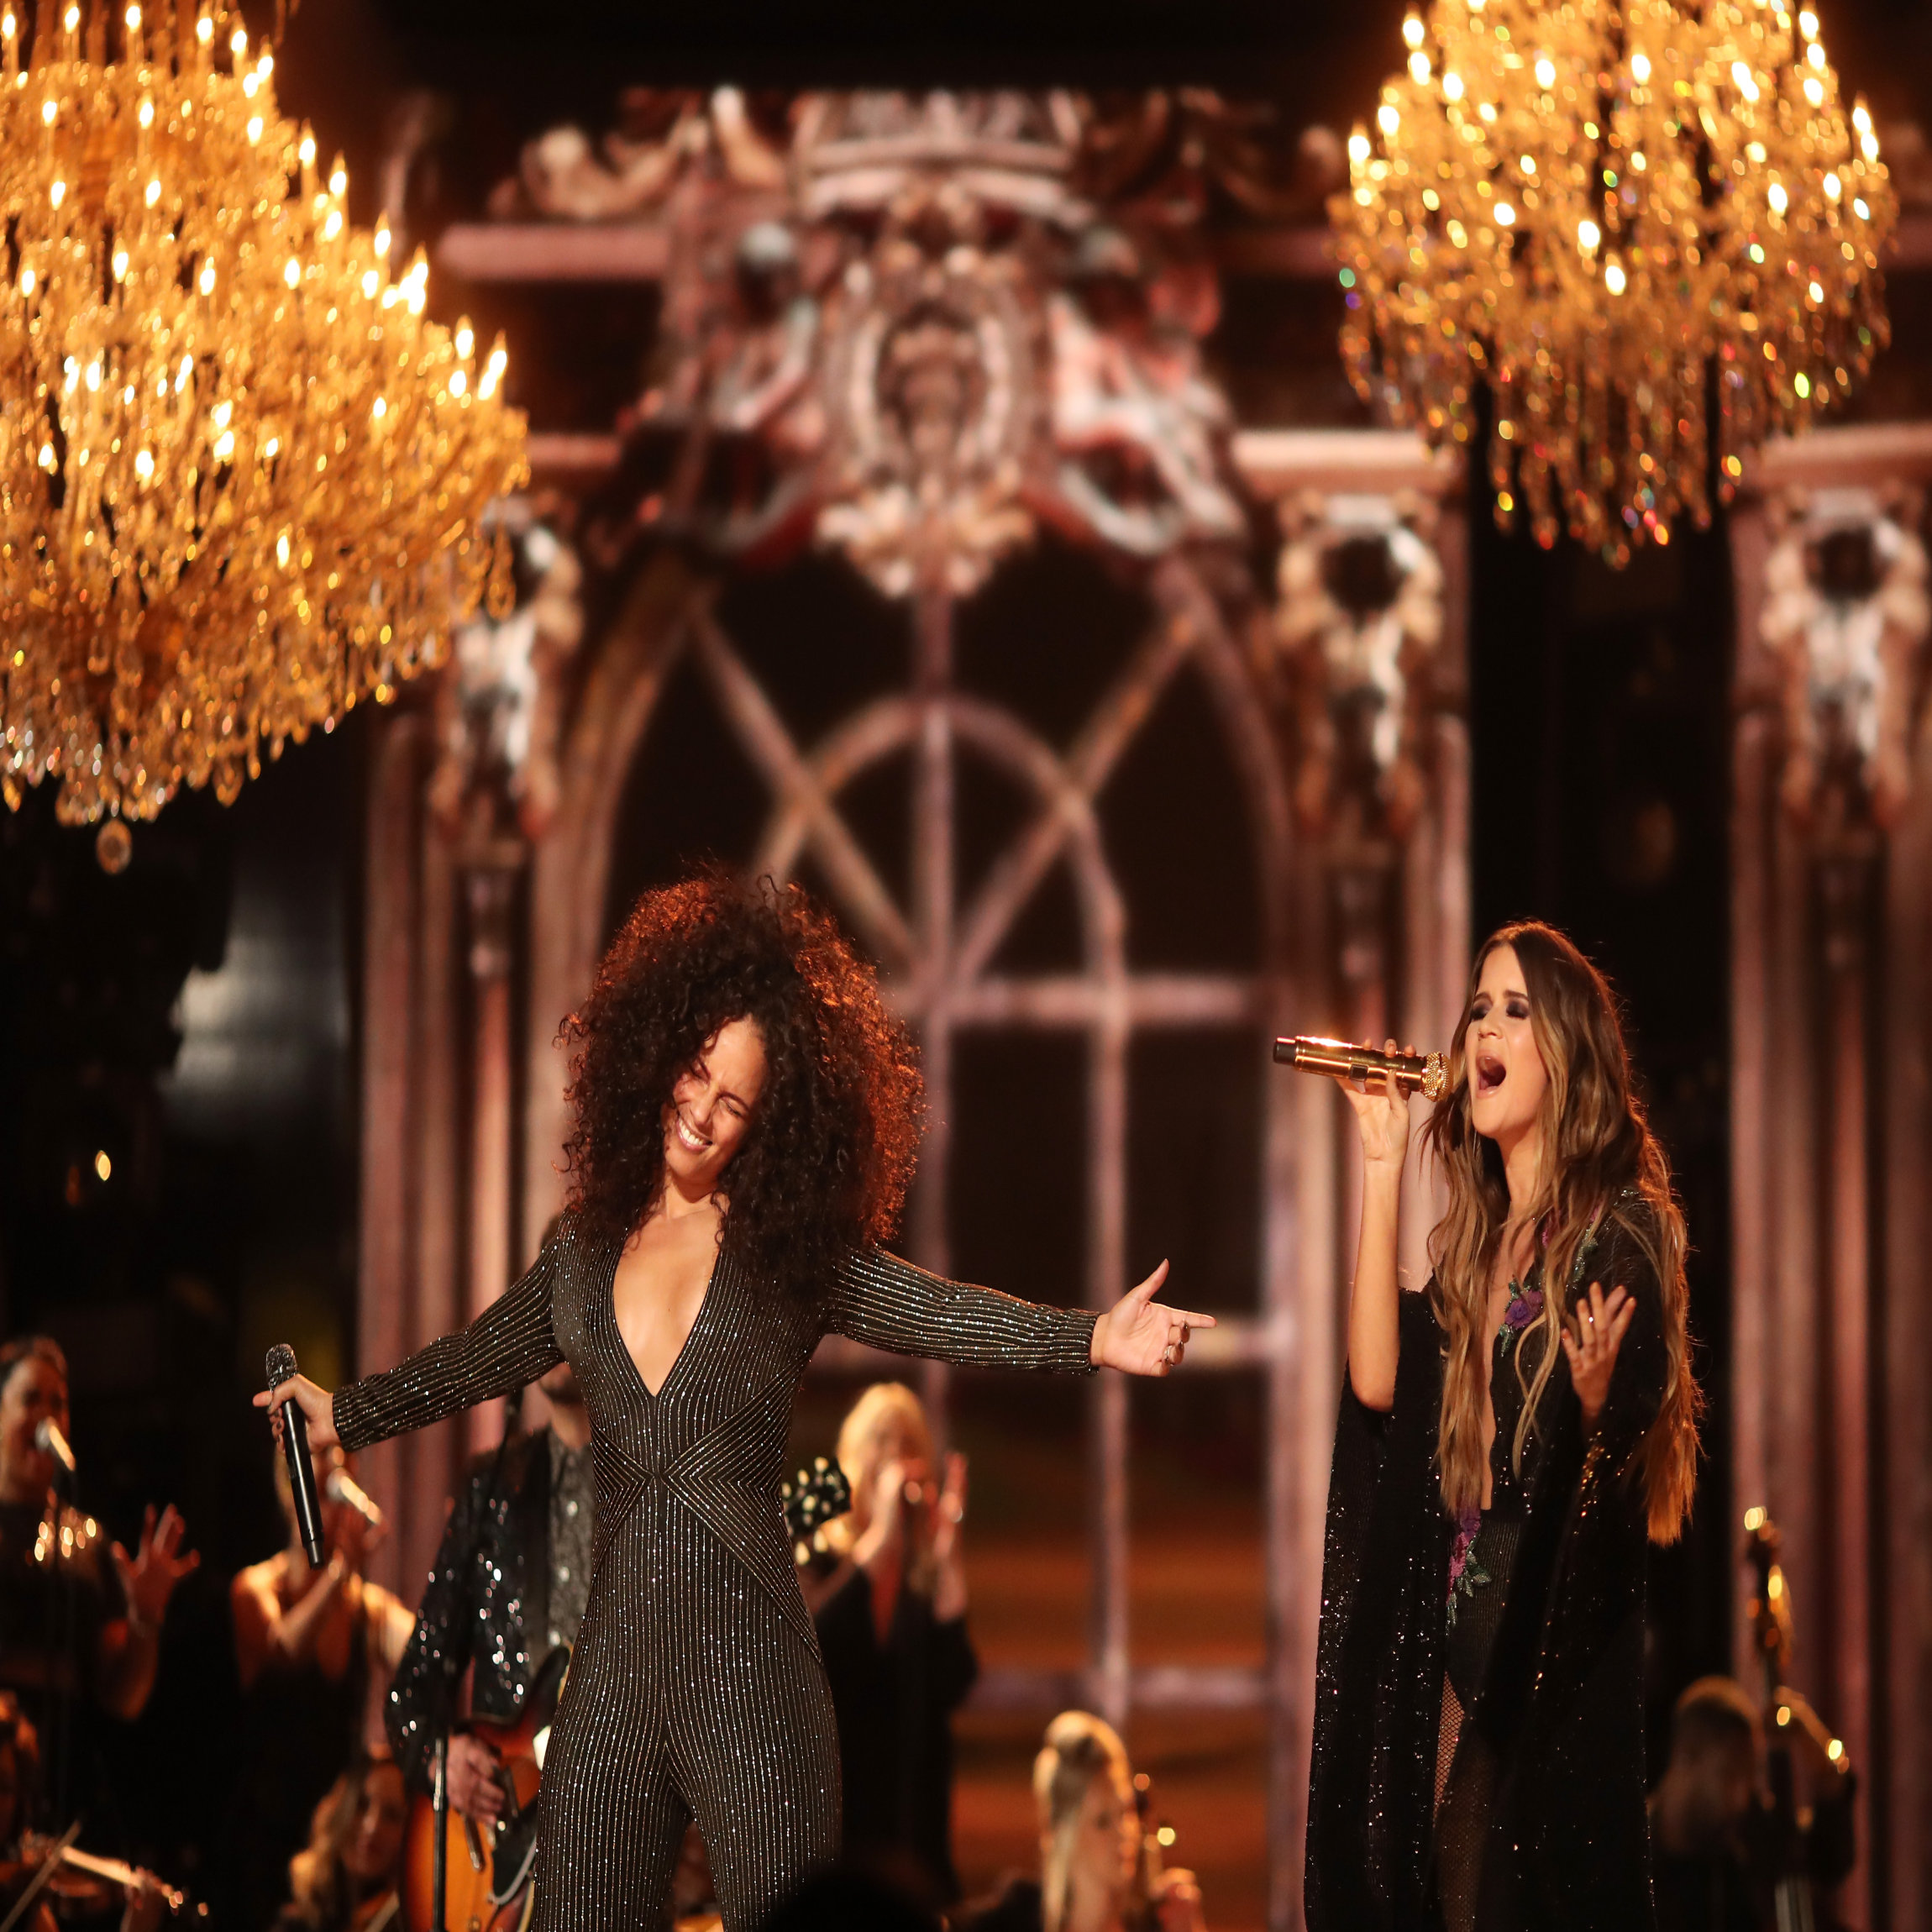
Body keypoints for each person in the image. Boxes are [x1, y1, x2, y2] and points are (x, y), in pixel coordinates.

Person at [260, 870, 1212, 1932]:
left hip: (753, 1671)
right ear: (658, 1049)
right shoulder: (578, 1252)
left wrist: (1091, 1337)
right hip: (614, 1670)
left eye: (734, 1104)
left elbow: (937, 1312)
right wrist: (345, 1413)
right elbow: (472, 1358)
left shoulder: (787, 1255)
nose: (701, 1117)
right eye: (695, 1075)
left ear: (771, 1124)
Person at [1305, 921, 1702, 1932]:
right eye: (1477, 1005)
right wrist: (1382, 1166)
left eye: (1514, 1010)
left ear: (1565, 1051)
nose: (1483, 1024)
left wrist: (1591, 1398)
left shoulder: (1620, 1228)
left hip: (1543, 1705)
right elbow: (1378, 1384)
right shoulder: (1478, 1246)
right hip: (1443, 1687)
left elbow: (1613, 1451)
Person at [386, 1349, 595, 1823]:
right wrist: (443, 1762)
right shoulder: (493, 1485)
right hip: (508, 1835)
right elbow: (412, 1689)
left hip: (624, 1833)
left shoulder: (660, 1484)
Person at [0, 1337, 197, 1825]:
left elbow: (122, 1699)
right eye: (31, 1399)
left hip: (62, 1803)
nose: (47, 1415)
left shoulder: (87, 1544)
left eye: (59, 1404)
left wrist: (146, 1621)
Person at [228, 1440, 412, 1929]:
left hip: (332, 1849)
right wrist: (338, 1576)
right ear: (288, 1488)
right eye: (317, 1470)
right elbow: (284, 1648)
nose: (332, 1486)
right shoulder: (259, 1587)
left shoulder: (365, 1608)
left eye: (341, 1472)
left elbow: (421, 1648)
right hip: (261, 1841)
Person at [809, 1382, 974, 1905]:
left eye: (908, 1447)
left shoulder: (919, 1581)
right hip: (836, 1838)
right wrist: (877, 1541)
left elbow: (957, 1681)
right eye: (881, 1446)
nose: (897, 1464)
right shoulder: (820, 1560)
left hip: (916, 1845)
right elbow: (815, 1646)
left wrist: (947, 1563)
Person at [955, 1710, 1206, 1932]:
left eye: (1126, 1812)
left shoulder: (1150, 1922)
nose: (1124, 1833)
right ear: (1062, 1829)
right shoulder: (1014, 1919)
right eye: (1102, 1821)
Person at [1649, 1677, 1856, 1932]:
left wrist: (1817, 1751)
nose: (1741, 1797)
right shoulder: (1629, 1858)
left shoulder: (1746, 1830)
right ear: (1686, 1757)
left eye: (1750, 1776)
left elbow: (1829, 1858)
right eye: (1729, 1774)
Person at [273, 1751, 408, 1932]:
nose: (372, 1826)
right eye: (362, 1804)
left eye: (392, 1815)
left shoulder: (407, 1918)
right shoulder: (297, 1923)